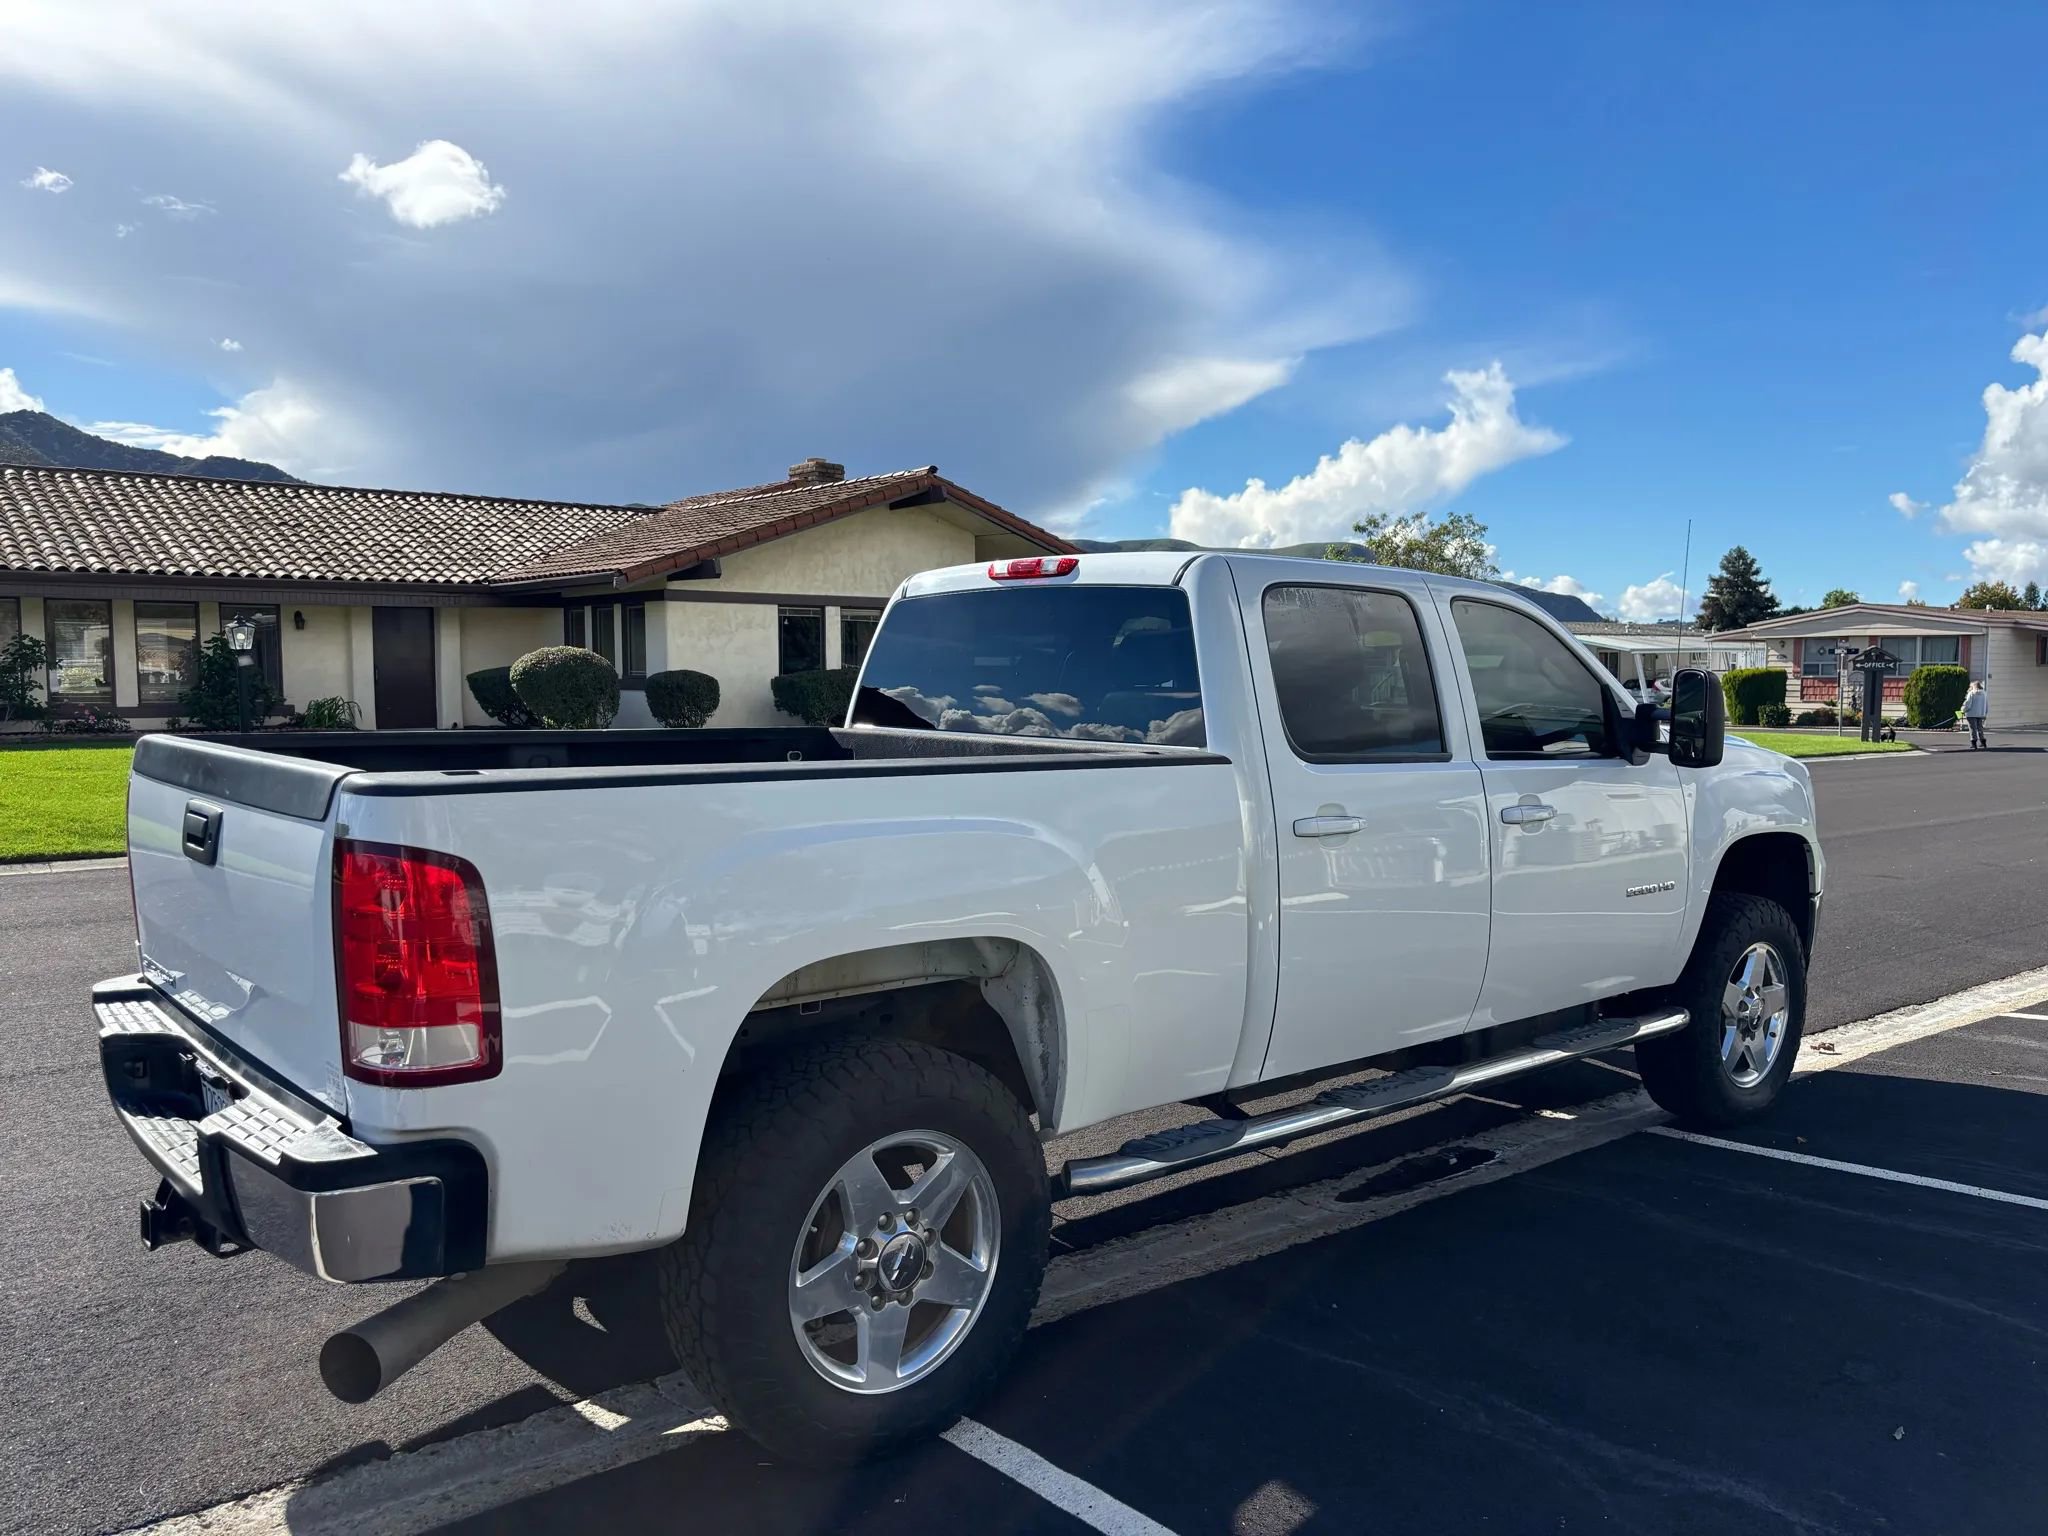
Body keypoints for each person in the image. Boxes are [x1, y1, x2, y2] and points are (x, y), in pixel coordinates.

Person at [1963, 679, 1990, 749]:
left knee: (1973, 729)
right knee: (1980, 728)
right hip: (1981, 714)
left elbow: (1968, 704)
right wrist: (1985, 713)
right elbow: (1986, 704)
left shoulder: (1971, 693)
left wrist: (1963, 710)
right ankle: (1983, 741)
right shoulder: (1984, 694)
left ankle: (1974, 743)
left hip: (1971, 714)